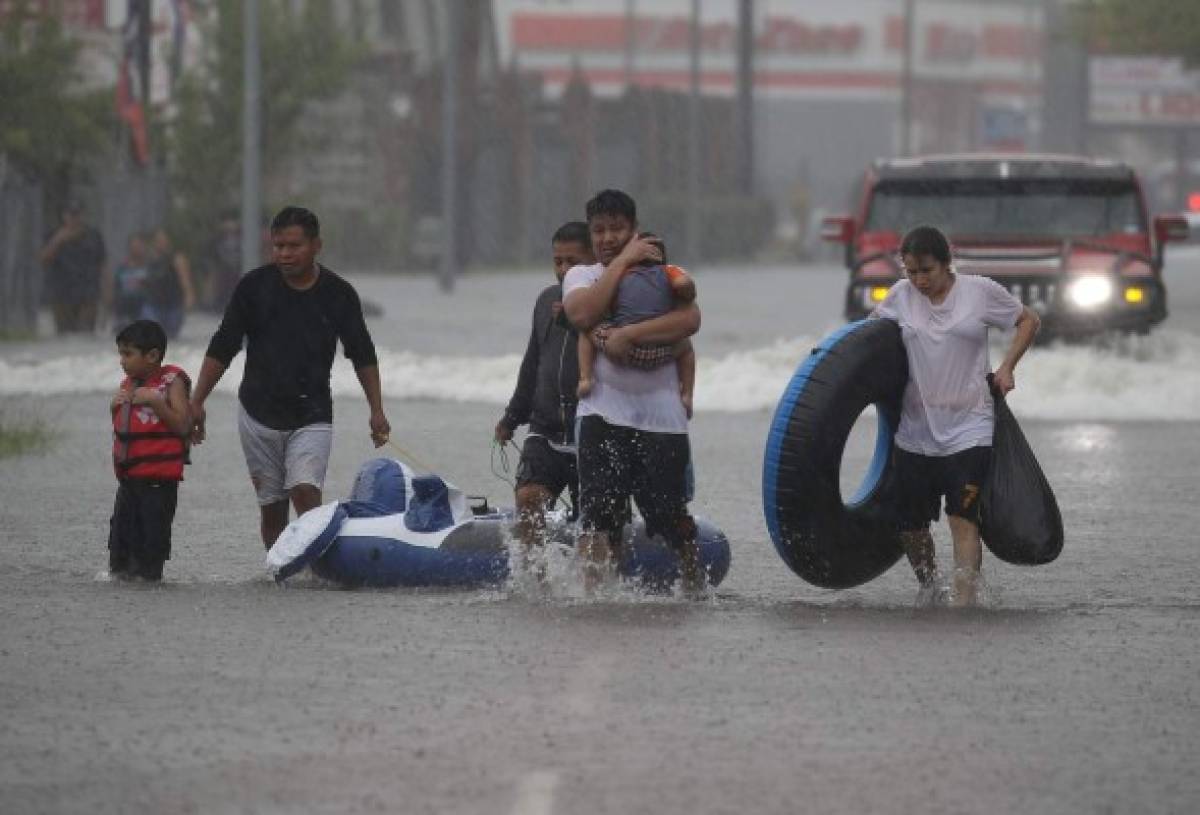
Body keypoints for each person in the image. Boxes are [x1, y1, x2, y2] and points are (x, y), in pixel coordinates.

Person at [188, 206, 391, 550]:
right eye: (278, 246)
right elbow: (223, 345)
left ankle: (318, 570)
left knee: (305, 492)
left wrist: (377, 410)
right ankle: (281, 575)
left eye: (294, 246)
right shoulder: (253, 287)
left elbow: (363, 355)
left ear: (316, 246)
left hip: (311, 414)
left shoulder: (338, 294)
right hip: (257, 412)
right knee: (272, 510)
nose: (284, 254)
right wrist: (196, 401)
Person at [872, 225, 1040, 606]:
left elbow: (1028, 320)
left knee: (962, 518)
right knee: (911, 526)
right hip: (915, 429)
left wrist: (1007, 367)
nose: (919, 280)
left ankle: (964, 604)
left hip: (970, 426)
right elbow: (868, 340)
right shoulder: (900, 296)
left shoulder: (979, 292)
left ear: (947, 263)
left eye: (926, 270)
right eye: (910, 271)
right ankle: (930, 587)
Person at [562, 189, 704, 594]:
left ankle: (695, 588)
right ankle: (594, 598)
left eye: (617, 230)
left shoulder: (663, 272)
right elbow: (583, 313)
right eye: (599, 231)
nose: (607, 238)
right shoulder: (583, 276)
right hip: (601, 413)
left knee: (669, 513)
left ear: (635, 229)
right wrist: (623, 261)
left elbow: (690, 317)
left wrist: (628, 334)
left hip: (662, 416)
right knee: (598, 515)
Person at [494, 221, 595, 556]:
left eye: (573, 262)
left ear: (594, 259)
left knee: (595, 524)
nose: (564, 270)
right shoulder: (545, 301)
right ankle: (534, 581)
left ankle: (592, 591)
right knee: (527, 499)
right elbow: (532, 364)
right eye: (558, 261)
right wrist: (511, 419)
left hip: (592, 430)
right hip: (546, 428)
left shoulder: (607, 301)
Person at [575, 231, 696, 418]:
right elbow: (684, 283)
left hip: (621, 349)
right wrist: (681, 292)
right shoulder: (669, 271)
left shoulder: (619, 274)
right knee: (686, 348)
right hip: (659, 353)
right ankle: (687, 394)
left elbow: (602, 303)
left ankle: (585, 377)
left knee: (587, 329)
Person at [109, 319, 192, 581]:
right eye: (120, 353)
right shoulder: (128, 385)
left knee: (151, 545)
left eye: (128, 354)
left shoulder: (171, 383)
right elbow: (123, 429)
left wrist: (157, 403)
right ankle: (121, 583)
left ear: (152, 355)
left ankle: (150, 583)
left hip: (158, 484)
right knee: (120, 545)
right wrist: (114, 407)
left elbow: (182, 425)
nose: (122, 361)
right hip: (129, 480)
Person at [39, 201, 106, 334]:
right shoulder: (54, 234)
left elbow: (103, 264)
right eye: (70, 214)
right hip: (61, 294)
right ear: (64, 216)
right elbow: (43, 260)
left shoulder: (93, 235)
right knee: (64, 336)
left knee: (85, 334)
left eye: (77, 214)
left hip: (88, 293)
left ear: (82, 215)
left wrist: (107, 293)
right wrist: (58, 240)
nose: (73, 218)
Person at [143, 228, 196, 339]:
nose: (161, 243)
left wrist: (189, 297)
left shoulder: (177, 259)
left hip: (173, 305)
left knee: (171, 334)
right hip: (154, 304)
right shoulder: (149, 259)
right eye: (158, 240)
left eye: (163, 240)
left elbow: (185, 280)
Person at [105, 233, 152, 327]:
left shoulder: (150, 267)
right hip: (124, 306)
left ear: (144, 247)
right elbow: (115, 287)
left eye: (139, 246)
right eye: (134, 246)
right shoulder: (122, 268)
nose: (136, 249)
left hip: (144, 304)